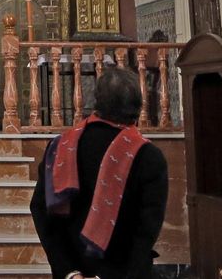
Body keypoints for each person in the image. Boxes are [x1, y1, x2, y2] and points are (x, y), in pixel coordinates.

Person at [30, 67, 168, 279]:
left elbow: (42, 212)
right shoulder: (149, 157)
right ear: (139, 107)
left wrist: (69, 272)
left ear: (96, 102)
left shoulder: (60, 147)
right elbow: (145, 231)